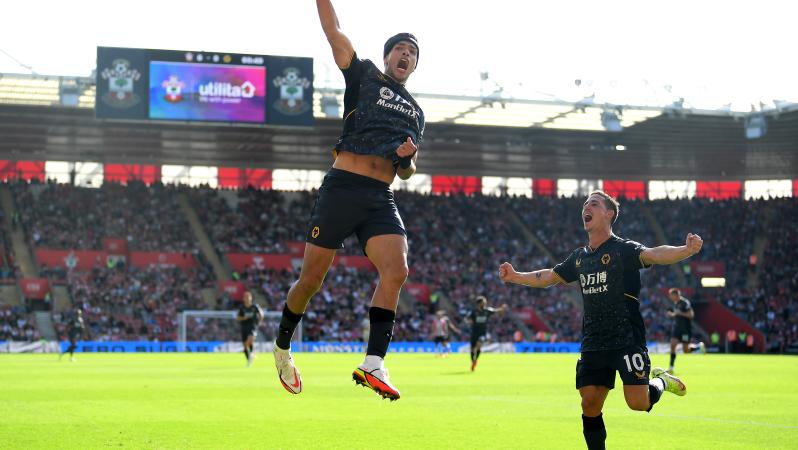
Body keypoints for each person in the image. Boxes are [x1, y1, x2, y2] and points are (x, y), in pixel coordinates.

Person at [272, 0, 424, 401]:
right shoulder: (363, 75)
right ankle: (282, 348)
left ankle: (373, 363)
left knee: (397, 270)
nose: (405, 54)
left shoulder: (416, 112)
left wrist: (408, 161)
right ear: (388, 55)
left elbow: (406, 170)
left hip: (380, 196)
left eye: (412, 53)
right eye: (400, 49)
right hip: (342, 187)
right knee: (311, 281)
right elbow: (333, 31)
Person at [499, 190, 704, 450]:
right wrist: (516, 276)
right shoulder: (580, 257)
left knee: (638, 403)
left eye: (594, 204)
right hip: (594, 340)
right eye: (585, 204)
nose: (587, 207)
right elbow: (549, 276)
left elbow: (655, 254)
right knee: (589, 404)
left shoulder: (623, 249)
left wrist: (686, 250)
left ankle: (662, 380)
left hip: (626, 338)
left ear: (609, 214)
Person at [666, 288, 705, 372]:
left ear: (676, 295)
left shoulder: (685, 303)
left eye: (671, 295)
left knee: (686, 350)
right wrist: (672, 315)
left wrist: (680, 313)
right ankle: (671, 367)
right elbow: (676, 314)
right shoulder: (675, 304)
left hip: (685, 329)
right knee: (673, 345)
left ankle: (698, 347)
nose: (670, 297)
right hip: (676, 328)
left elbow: (691, 315)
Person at [468, 296, 507, 371]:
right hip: (474, 332)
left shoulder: (487, 310)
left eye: (485, 302)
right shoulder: (473, 312)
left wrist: (502, 308)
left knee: (479, 346)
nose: (485, 303)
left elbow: (496, 311)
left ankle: (476, 360)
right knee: (472, 349)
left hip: (482, 333)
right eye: (483, 302)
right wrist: (469, 321)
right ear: (479, 303)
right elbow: (467, 318)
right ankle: (473, 362)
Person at [236, 291, 263, 367]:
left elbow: (261, 314)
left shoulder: (255, 307)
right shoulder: (242, 308)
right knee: (245, 345)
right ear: (243, 299)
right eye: (245, 297)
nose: (247, 298)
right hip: (244, 327)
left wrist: (259, 322)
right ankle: (249, 359)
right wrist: (244, 317)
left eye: (248, 296)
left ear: (251, 298)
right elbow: (238, 318)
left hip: (252, 326)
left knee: (250, 339)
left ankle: (251, 354)